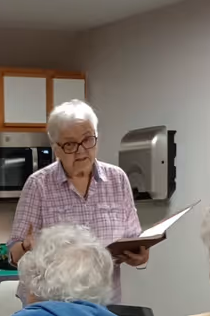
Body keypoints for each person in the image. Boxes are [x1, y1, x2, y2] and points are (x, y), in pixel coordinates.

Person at [8, 99, 148, 302]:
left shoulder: (117, 179)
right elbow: (13, 254)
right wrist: (25, 247)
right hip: (52, 306)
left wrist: (140, 256)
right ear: (56, 149)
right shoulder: (38, 185)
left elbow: (133, 237)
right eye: (70, 144)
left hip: (104, 303)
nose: (81, 150)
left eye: (88, 139)